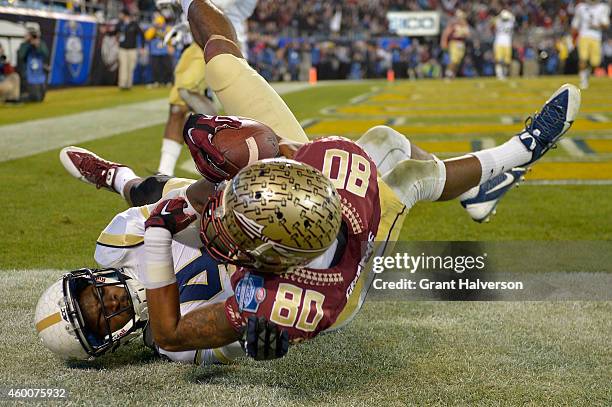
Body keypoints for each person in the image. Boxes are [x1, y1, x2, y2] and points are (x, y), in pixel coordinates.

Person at [36, 0, 580, 361]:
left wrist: (123, 179)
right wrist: (260, 337)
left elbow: (165, 196)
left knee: (222, 63)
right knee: (400, 165)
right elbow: (204, 325)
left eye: (92, 298)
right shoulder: (185, 342)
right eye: (100, 323)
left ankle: (479, 187)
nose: (109, 306)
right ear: (109, 343)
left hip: (264, 199)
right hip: (309, 265)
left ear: (87, 276)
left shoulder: (116, 244)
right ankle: (514, 155)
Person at [155, 0, 258, 177]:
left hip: (223, 44)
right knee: (178, 104)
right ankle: (163, 173)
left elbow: (217, 4)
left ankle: (215, 124)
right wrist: (184, 23)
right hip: (199, 43)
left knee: (240, 116)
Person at [571, 0, 610, 89]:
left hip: (596, 37)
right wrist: (572, 38)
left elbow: (606, 24)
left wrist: (598, 25)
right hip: (583, 35)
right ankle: (583, 79)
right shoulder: (580, 7)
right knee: (583, 58)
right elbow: (575, 23)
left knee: (595, 63)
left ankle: (586, 74)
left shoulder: (603, 7)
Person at [17, 26, 49, 102]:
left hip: (39, 73)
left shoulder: (41, 44)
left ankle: (26, 96)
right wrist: (28, 44)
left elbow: (46, 54)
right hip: (29, 74)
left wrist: (37, 46)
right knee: (36, 98)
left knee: (41, 98)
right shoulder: (24, 45)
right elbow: (21, 56)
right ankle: (19, 98)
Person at [117, 9, 144, 90]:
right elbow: (115, 31)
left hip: (132, 49)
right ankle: (122, 84)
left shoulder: (134, 24)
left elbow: (142, 35)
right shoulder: (120, 24)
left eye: (121, 14)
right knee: (123, 66)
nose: (120, 15)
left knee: (131, 67)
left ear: (125, 15)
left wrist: (142, 47)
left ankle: (128, 84)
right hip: (122, 48)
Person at [145, 13, 174, 86]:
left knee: (167, 67)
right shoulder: (152, 30)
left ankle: (168, 81)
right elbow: (147, 37)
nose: (159, 25)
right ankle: (157, 81)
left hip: (165, 51)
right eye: (157, 23)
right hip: (155, 51)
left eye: (160, 23)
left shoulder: (167, 29)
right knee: (155, 68)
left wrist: (170, 46)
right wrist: (154, 29)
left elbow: (171, 38)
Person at [440, 10, 471, 79]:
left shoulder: (465, 25)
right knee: (454, 59)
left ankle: (452, 74)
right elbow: (446, 33)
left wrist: (463, 33)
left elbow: (468, 34)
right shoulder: (453, 24)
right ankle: (448, 73)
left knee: (458, 61)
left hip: (462, 43)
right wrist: (444, 42)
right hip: (454, 42)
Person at [493, 9, 514, 80]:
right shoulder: (500, 21)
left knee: (507, 61)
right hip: (499, 42)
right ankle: (499, 75)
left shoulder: (508, 21)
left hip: (506, 43)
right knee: (499, 60)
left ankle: (504, 75)